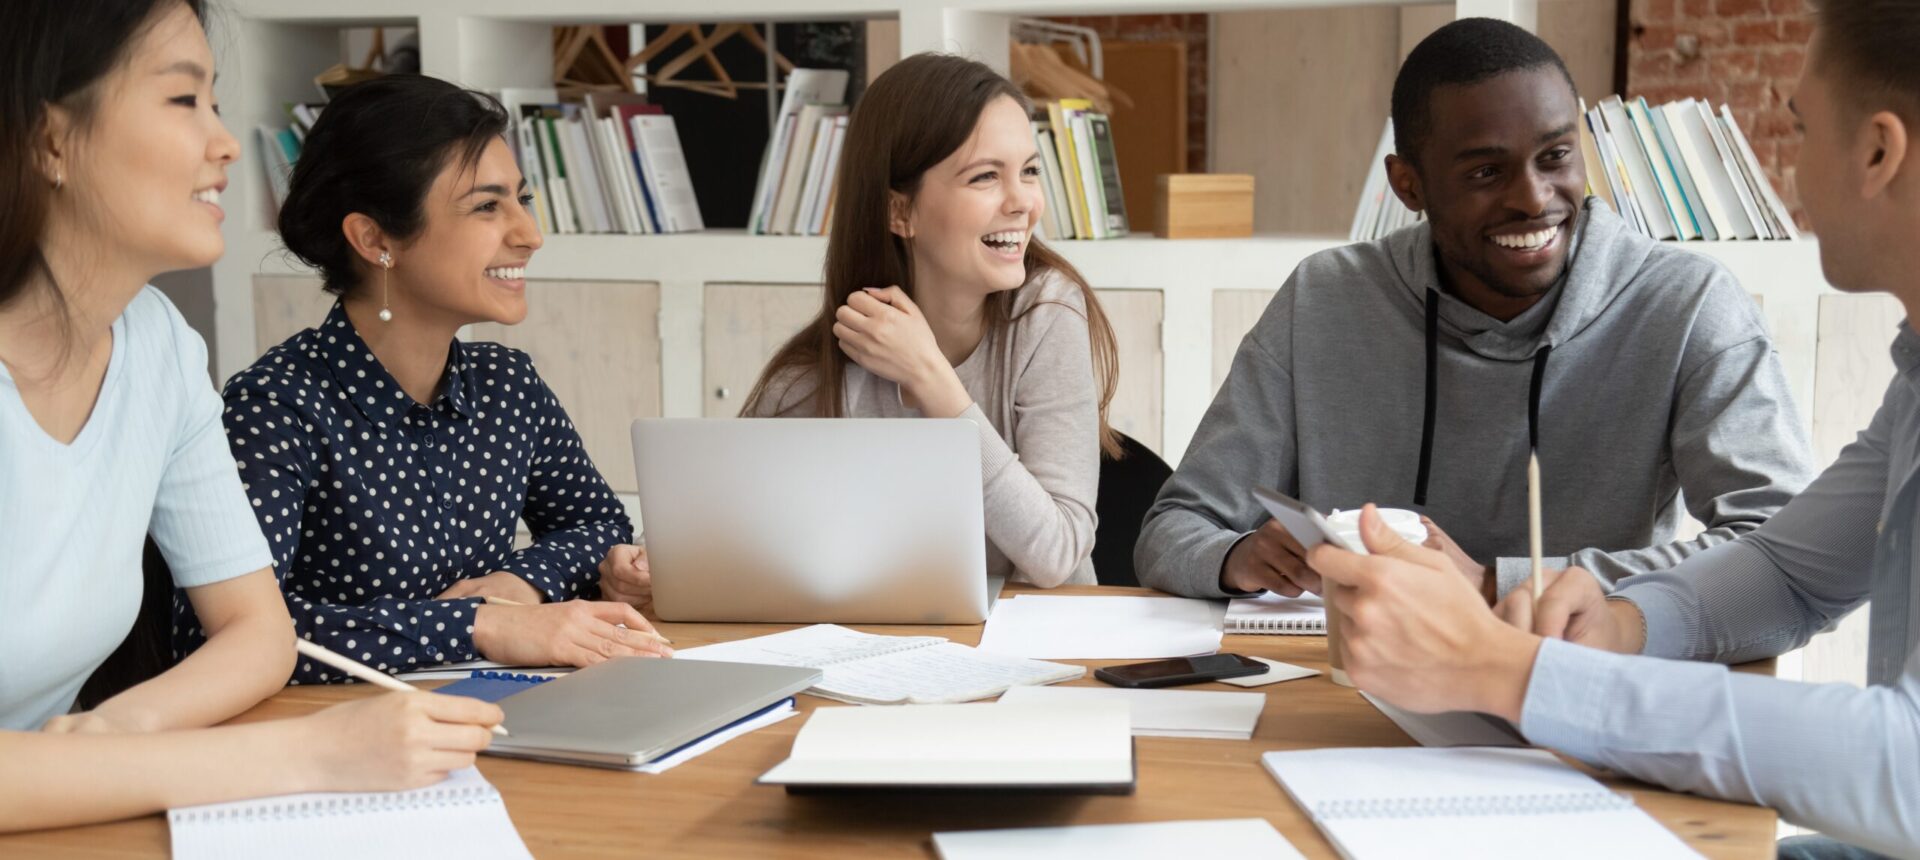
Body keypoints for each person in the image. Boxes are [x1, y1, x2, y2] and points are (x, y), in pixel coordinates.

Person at [1311, 1, 1920, 855]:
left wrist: (1510, 671)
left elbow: (1907, 765)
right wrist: (1622, 621)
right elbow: (1790, 571)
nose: (1790, 170)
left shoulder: (1688, 302)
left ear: (1879, 152)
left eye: (1802, 128)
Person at [0, 0, 503, 831]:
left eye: (217, 102)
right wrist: (313, 755)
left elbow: (257, 633)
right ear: (51, 139)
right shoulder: (284, 395)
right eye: (181, 100)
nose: (228, 143)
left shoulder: (158, 344)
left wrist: (112, 733)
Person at [1135, 18, 1815, 604]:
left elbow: (1779, 552)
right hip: (1356, 694)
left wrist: (1499, 583)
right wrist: (1240, 557)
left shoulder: (1688, 306)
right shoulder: (1322, 299)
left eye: (1555, 156)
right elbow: (1173, 530)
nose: (1532, 198)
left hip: (1578, 685)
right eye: (1486, 173)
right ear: (1409, 185)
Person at [171, 74, 670, 682]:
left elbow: (598, 524)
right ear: (375, 239)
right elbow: (221, 635)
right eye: (487, 206)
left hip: (489, 711)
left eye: (522, 199)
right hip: (335, 736)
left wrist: (521, 583)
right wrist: (480, 624)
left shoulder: (507, 385)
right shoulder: (277, 407)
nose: (530, 235)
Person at [740, 53, 1120, 588]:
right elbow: (726, 519)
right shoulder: (817, 374)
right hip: (892, 651)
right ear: (900, 212)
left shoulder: (1047, 314)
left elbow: (1056, 554)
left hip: (1044, 651)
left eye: (1030, 171)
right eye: (985, 177)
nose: (1024, 203)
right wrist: (645, 561)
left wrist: (934, 382)